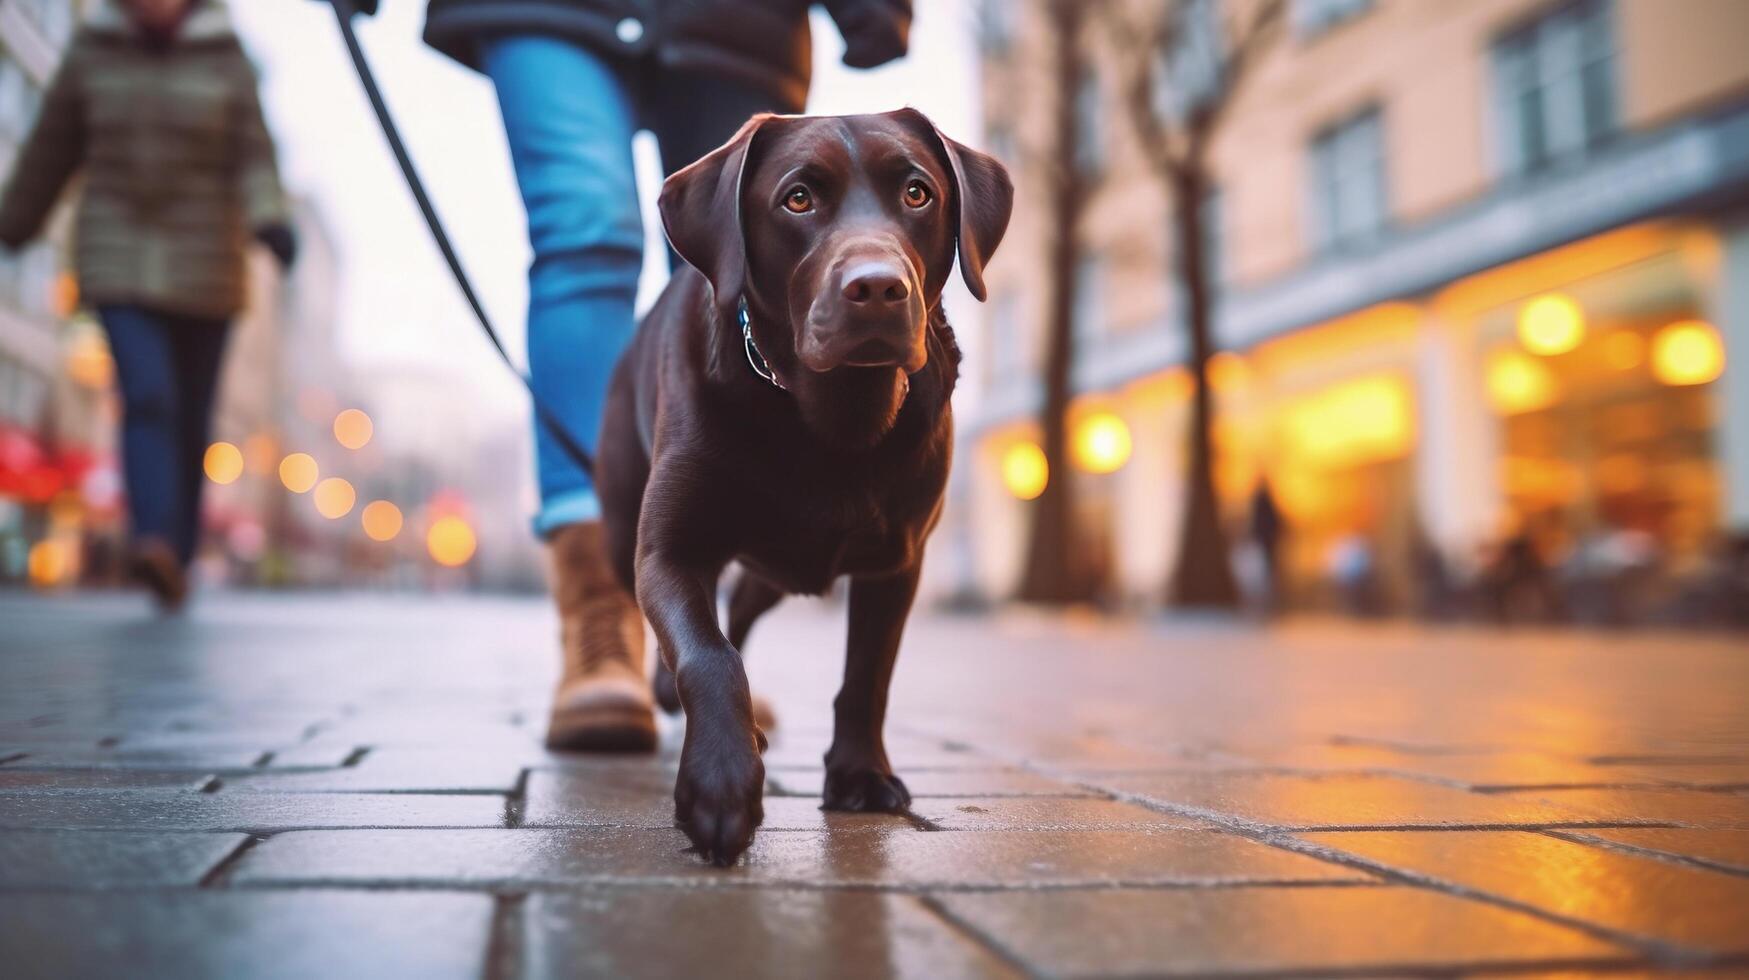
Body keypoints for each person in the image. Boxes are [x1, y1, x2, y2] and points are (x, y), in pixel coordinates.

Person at [386, 0, 912, 751]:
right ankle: (600, 614)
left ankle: (691, 640)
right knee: (584, 228)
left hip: (740, 18)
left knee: (737, 260)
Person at [0, 0, 295, 611]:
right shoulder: (92, 49)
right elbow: (50, 146)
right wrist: (13, 222)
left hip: (206, 264)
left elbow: (254, 154)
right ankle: (154, 539)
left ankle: (176, 556)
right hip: (118, 253)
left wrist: (271, 219)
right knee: (148, 396)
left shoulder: (225, 55)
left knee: (192, 416)